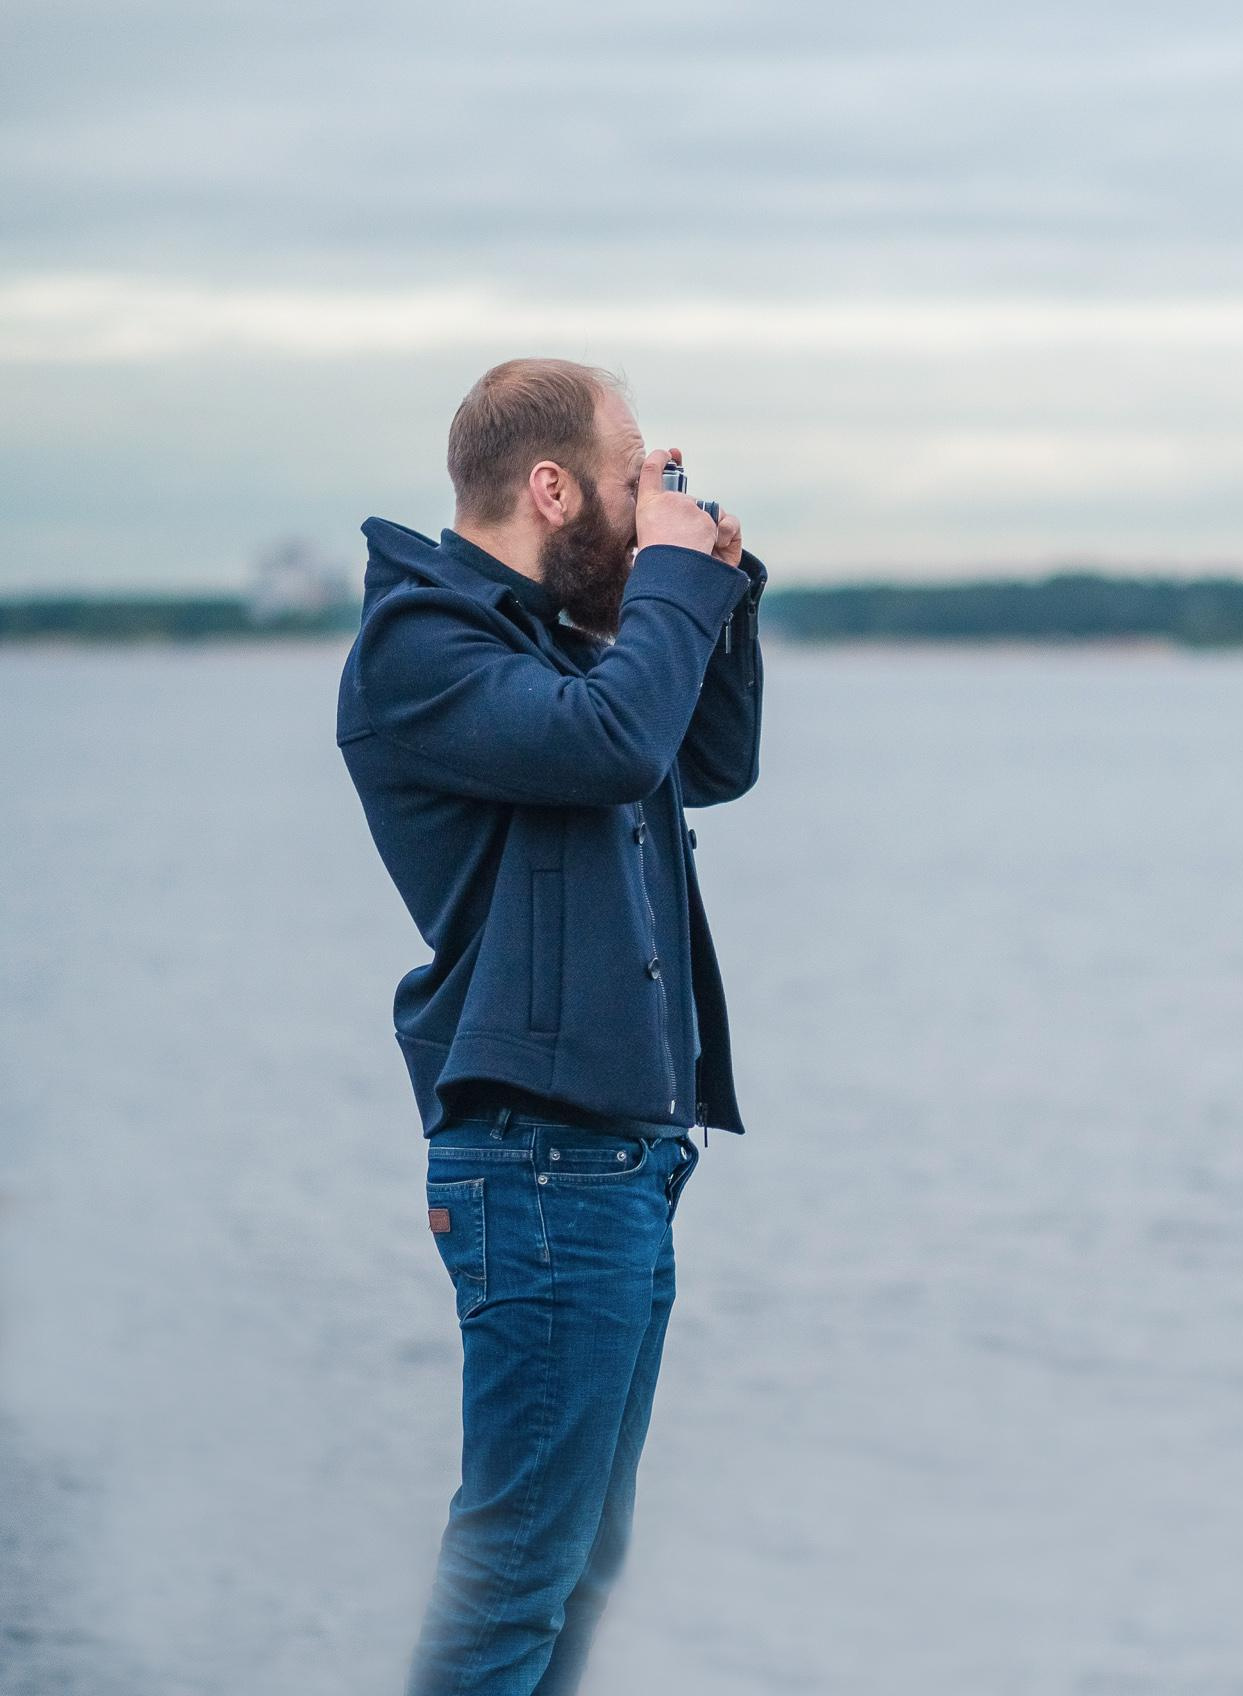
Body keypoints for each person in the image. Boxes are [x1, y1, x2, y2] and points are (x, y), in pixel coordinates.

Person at [336, 357, 767, 1695]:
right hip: (539, 1165)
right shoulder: (424, 647)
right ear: (549, 484)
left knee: (580, 1561)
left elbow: (707, 758)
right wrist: (677, 582)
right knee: (519, 1564)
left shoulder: (550, 642)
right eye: (634, 472)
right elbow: (614, 745)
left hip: (615, 1167)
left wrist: (718, 596)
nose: (654, 498)